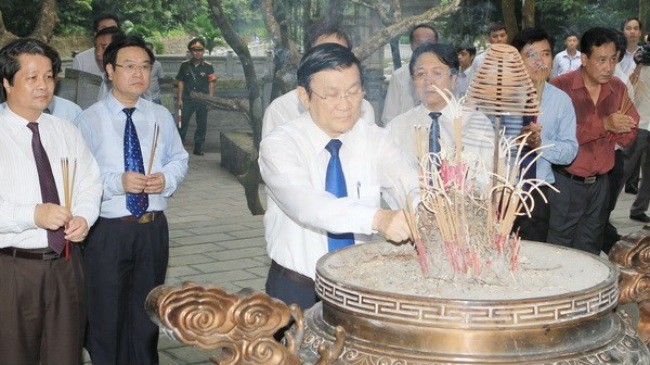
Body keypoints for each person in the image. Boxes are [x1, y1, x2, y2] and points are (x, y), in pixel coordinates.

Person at [259, 43, 417, 310]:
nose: (345, 104)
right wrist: (378, 218)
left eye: (353, 92)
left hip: (360, 286)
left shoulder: (376, 139)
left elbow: (410, 184)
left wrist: (419, 210)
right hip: (296, 288)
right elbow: (308, 204)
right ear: (304, 96)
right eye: (331, 95)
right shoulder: (280, 145)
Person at [76, 35, 189, 365]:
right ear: (110, 70)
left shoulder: (159, 116)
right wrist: (118, 182)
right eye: (129, 66)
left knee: (147, 315)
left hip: (152, 229)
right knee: (105, 314)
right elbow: (82, 176)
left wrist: (166, 179)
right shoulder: (89, 119)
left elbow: (179, 158)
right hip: (109, 231)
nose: (139, 74)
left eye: (144, 67)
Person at [0, 38, 102, 365]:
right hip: (12, 269)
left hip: (66, 264)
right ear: (6, 81)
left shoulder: (65, 130)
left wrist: (84, 216)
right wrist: (33, 214)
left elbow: (89, 181)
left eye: (49, 76)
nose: (44, 85)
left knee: (65, 355)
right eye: (32, 77)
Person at [549, 27, 639, 254]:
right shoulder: (561, 87)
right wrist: (605, 125)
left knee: (590, 247)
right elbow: (555, 137)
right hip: (565, 182)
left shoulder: (617, 87)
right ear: (585, 58)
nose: (608, 67)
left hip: (601, 184)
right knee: (559, 247)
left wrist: (620, 129)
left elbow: (630, 132)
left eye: (613, 60)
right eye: (601, 60)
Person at [510, 27, 578, 242]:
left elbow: (569, 151)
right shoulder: (499, 97)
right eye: (531, 55)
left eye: (546, 54)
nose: (540, 61)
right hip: (500, 191)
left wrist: (540, 143)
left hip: (537, 194)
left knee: (532, 259)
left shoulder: (561, 100)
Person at [385, 43, 494, 170]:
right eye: (421, 74)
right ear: (413, 81)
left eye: (437, 73)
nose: (428, 81)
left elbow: (488, 176)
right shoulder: (397, 128)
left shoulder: (477, 123)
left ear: (453, 78)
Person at [262, 21, 375, 138]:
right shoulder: (280, 110)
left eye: (340, 54)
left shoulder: (364, 109)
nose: (332, 62)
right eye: (323, 55)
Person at [381, 24, 438, 125]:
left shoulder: (445, 75)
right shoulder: (399, 76)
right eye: (419, 43)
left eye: (429, 43)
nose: (424, 47)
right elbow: (389, 117)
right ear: (411, 46)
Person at [176, 37, 217, 156]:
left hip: (203, 100)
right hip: (187, 99)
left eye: (200, 50)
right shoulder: (184, 66)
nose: (197, 52)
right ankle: (179, 147)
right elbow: (181, 82)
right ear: (190, 51)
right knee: (181, 123)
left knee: (202, 124)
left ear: (203, 51)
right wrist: (179, 99)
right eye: (194, 50)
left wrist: (210, 100)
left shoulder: (208, 66)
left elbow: (211, 84)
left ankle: (198, 147)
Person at [621, 18, 644, 195]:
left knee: (638, 148)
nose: (632, 32)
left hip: (641, 106)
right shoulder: (618, 53)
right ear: (623, 31)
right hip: (620, 105)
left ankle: (632, 183)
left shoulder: (646, 54)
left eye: (636, 28)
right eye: (628, 28)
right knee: (626, 151)